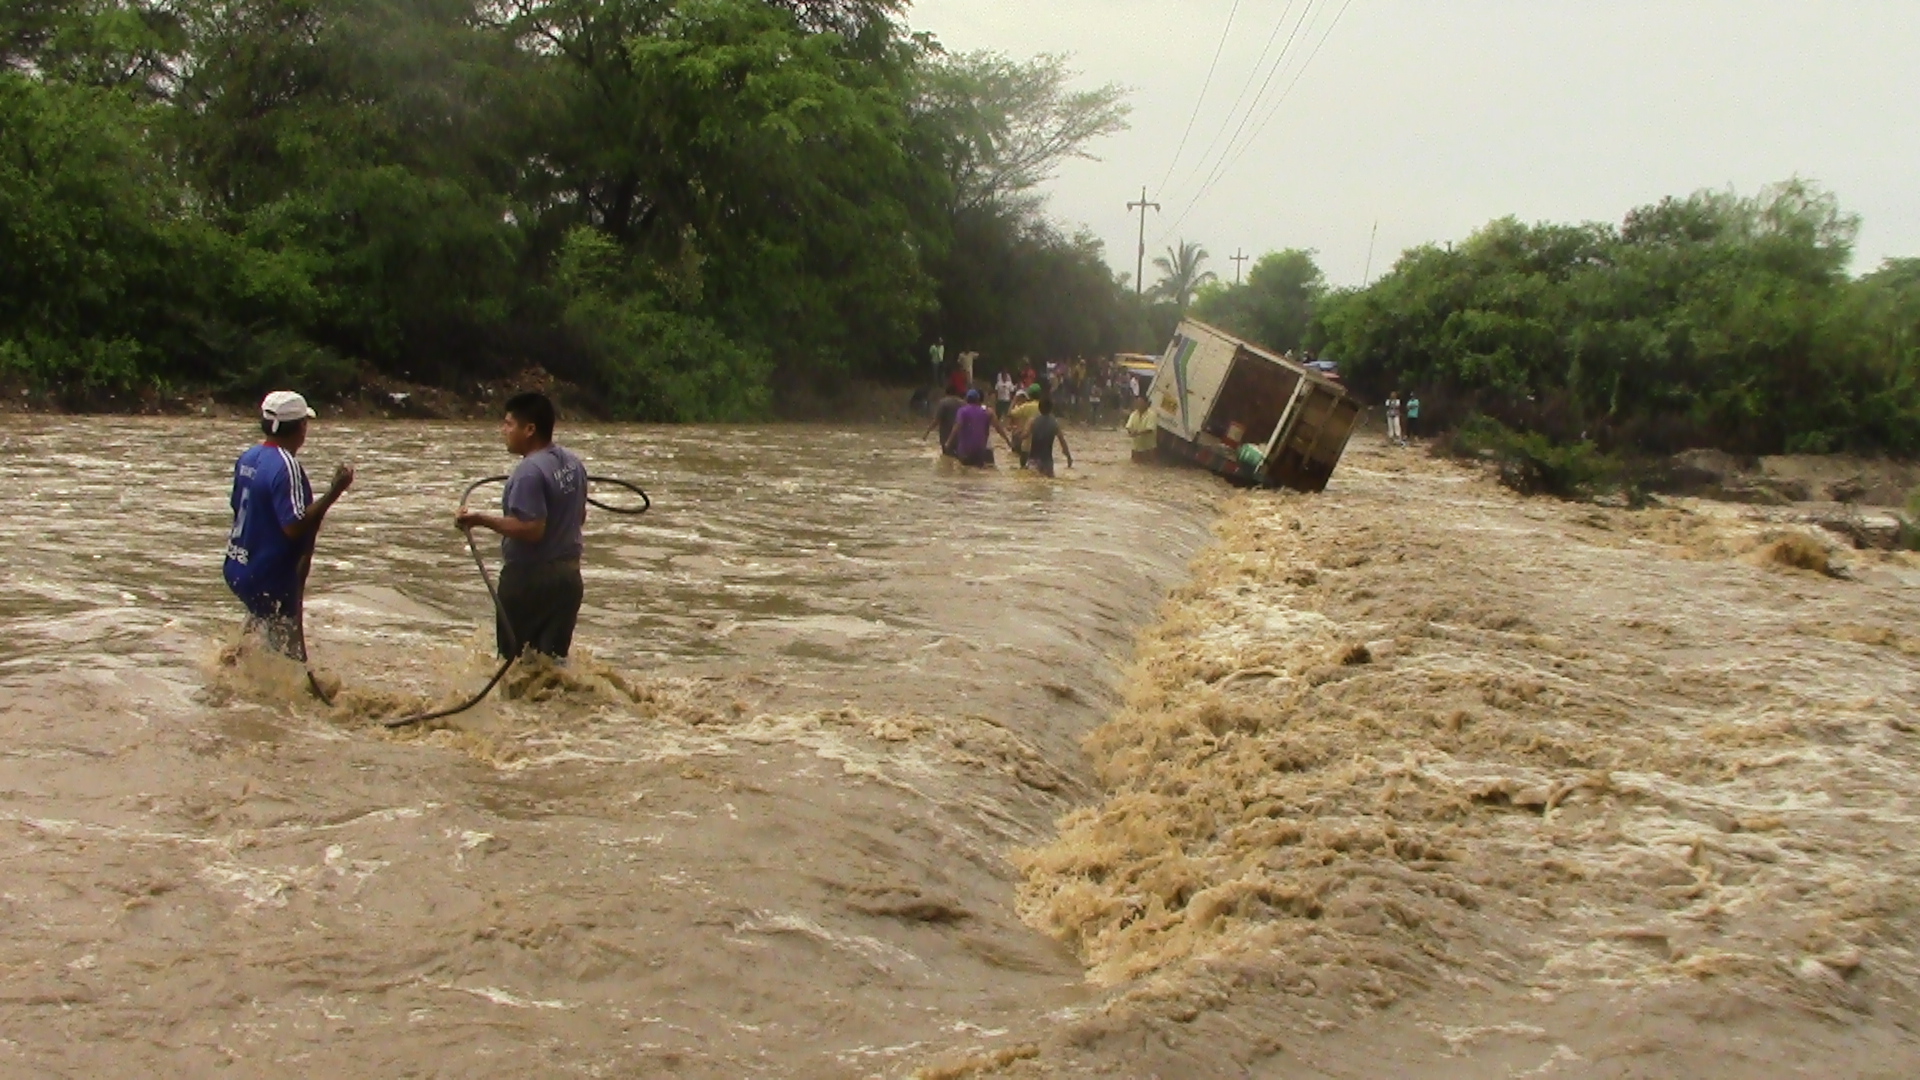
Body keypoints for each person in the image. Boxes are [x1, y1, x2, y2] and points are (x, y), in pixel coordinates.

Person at [455, 392, 589, 661]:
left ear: (529, 430)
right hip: (568, 581)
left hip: (529, 583)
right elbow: (580, 516)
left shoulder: (528, 472)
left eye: (509, 424)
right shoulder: (574, 464)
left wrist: (479, 520)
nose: (503, 430)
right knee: (551, 668)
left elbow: (532, 529)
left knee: (515, 668)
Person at [224, 391, 355, 661]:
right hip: (270, 576)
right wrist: (335, 491)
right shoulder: (286, 466)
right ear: (301, 427)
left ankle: (231, 668)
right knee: (292, 657)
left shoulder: (248, 457)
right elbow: (294, 526)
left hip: (239, 567)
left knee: (257, 623)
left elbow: (237, 508)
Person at [943, 389, 1012, 468]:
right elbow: (998, 428)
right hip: (980, 451)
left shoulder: (962, 411)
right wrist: (1008, 441)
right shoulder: (987, 412)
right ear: (978, 400)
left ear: (966, 399)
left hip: (965, 451)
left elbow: (957, 426)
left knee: (964, 473)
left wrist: (948, 442)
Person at [1026, 398, 1074, 477]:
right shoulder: (1054, 424)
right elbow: (1062, 441)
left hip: (1033, 459)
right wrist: (1068, 457)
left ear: (1039, 408)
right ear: (1051, 408)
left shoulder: (1033, 421)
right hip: (1047, 461)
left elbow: (1025, 435)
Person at [1007, 387, 1043, 469]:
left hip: (1026, 446)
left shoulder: (1025, 407)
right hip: (1040, 447)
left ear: (1029, 395)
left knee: (1023, 470)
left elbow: (1009, 413)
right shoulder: (1044, 407)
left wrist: (1013, 400)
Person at [924, 388, 966, 458]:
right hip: (960, 437)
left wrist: (927, 432)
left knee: (947, 459)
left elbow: (936, 420)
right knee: (958, 459)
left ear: (946, 393)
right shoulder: (963, 403)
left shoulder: (943, 402)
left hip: (946, 436)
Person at [1125, 395, 1158, 464]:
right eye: (1138, 403)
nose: (1139, 404)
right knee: (1135, 466)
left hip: (1148, 448)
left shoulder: (1152, 414)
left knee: (1149, 467)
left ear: (1146, 404)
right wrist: (1131, 432)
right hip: (1136, 447)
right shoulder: (1133, 414)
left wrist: (1137, 433)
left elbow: (1150, 429)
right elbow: (1128, 426)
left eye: (1141, 403)